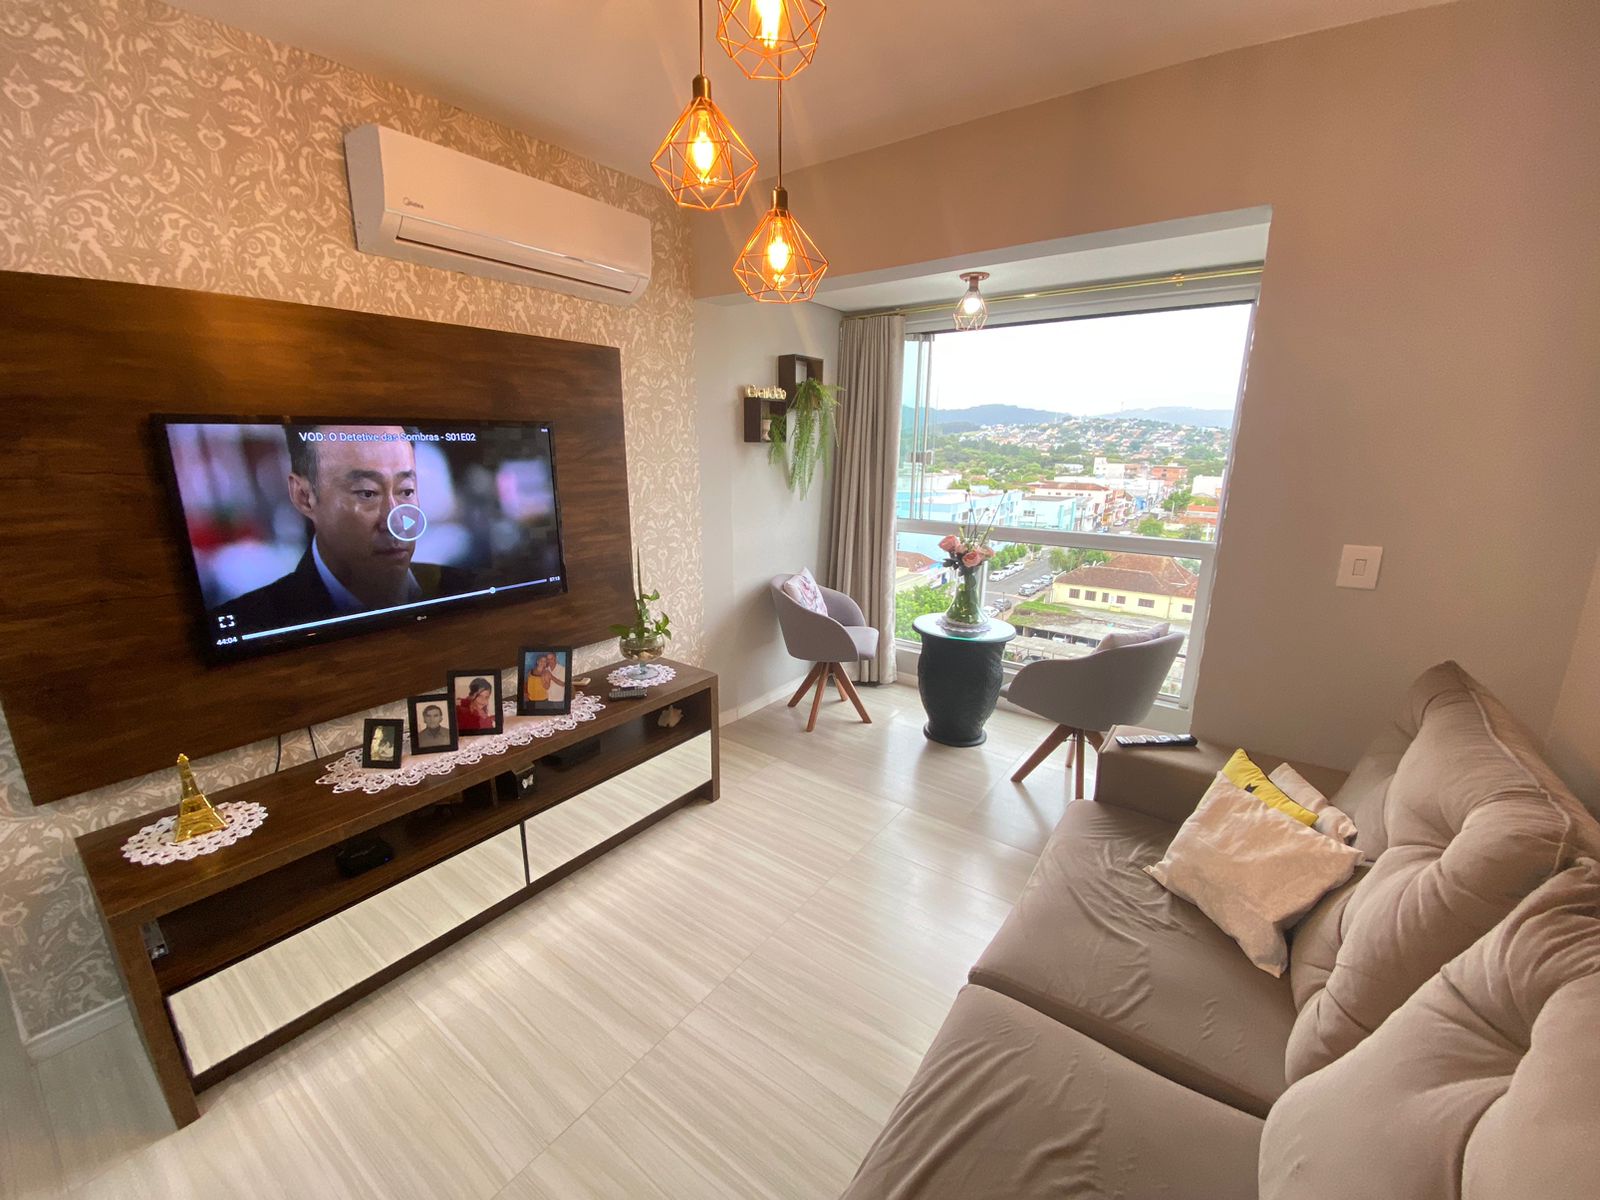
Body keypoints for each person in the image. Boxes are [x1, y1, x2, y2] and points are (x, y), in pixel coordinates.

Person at [211, 425, 468, 632]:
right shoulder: (257, 621)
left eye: (406, 491)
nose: (396, 522)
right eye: (367, 493)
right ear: (304, 496)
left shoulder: (465, 590)